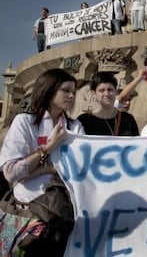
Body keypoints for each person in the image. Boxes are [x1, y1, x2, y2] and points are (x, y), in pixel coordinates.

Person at [0, 68, 84, 255]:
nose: (71, 96)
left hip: (64, 216)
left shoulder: (75, 126)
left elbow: (81, 168)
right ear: (49, 90)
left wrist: (39, 169)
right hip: (29, 214)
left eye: (73, 91)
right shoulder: (25, 122)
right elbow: (12, 172)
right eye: (65, 90)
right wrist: (48, 148)